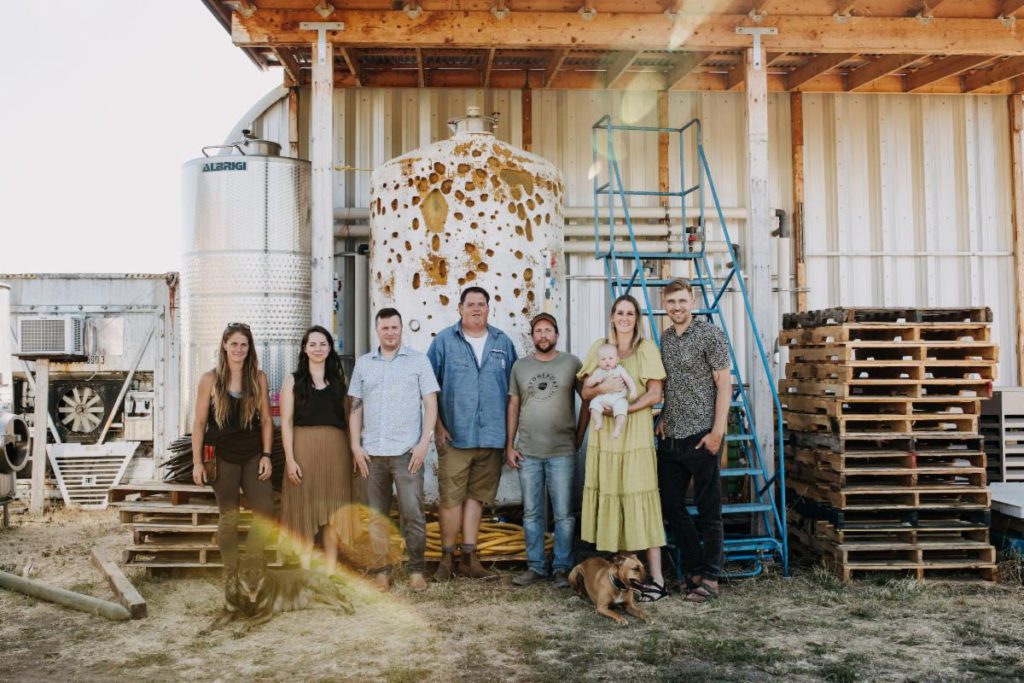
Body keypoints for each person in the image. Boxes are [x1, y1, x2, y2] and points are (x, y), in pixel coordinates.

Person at [577, 294, 668, 601]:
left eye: (630, 313)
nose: (625, 318)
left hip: (636, 436)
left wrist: (625, 411)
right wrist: (603, 389)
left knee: (642, 499)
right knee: (616, 499)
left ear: (636, 318)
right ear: (612, 316)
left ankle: (657, 578)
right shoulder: (600, 348)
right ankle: (626, 579)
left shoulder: (646, 349)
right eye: (620, 312)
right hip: (607, 439)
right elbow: (586, 391)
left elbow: (655, 394)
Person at [427, 286, 518, 581]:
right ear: (460, 308)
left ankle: (470, 558)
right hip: (455, 436)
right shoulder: (443, 342)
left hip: (492, 436)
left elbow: (513, 393)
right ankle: (446, 559)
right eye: (471, 304)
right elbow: (429, 388)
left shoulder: (502, 342)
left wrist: (509, 440)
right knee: (450, 499)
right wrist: (438, 426)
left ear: (489, 309)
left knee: (477, 498)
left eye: (482, 304)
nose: (477, 309)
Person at [349, 308, 439, 593]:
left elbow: (431, 404)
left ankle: (416, 570)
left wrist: (425, 442)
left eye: (394, 327)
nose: (390, 332)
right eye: (385, 328)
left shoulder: (418, 361)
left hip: (406, 452)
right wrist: (355, 445)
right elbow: (355, 406)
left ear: (402, 329)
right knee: (377, 515)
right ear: (377, 330)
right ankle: (381, 571)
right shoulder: (364, 364)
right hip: (372, 454)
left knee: (412, 512)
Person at [656, 279, 731, 602]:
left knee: (709, 509)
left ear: (693, 301)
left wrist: (718, 431)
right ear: (665, 305)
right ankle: (696, 568)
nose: (677, 307)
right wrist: (661, 418)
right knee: (672, 505)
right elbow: (670, 385)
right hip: (672, 437)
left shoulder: (710, 334)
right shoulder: (666, 338)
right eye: (671, 302)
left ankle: (711, 577)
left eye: (682, 301)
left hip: (703, 436)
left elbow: (724, 384)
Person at [506, 313, 582, 588]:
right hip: (528, 452)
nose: (543, 335)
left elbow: (589, 399)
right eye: (538, 331)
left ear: (557, 335)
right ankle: (536, 566)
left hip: (562, 450)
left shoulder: (571, 363)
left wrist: (580, 435)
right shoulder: (520, 367)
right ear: (532, 336)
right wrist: (509, 446)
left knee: (563, 514)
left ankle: (562, 568)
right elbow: (513, 406)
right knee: (531, 513)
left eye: (548, 330)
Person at [192, 322, 275, 574]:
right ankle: (231, 572)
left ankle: (250, 564)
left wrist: (267, 455)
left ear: (249, 348)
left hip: (252, 453)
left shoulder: (257, 377)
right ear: (224, 346)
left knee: (265, 509)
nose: (239, 349)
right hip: (222, 455)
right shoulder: (210, 379)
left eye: (244, 344)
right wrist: (197, 462)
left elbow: (267, 421)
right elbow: (199, 422)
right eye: (234, 344)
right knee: (229, 515)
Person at [280, 325, 363, 575]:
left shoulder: (340, 382)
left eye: (323, 344)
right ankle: (305, 568)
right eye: (312, 344)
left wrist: (353, 451)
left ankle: (330, 569)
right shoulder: (293, 380)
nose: (318, 348)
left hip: (336, 452)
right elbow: (285, 423)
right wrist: (290, 459)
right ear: (304, 349)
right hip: (303, 450)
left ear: (330, 348)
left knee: (334, 512)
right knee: (304, 509)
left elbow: (350, 420)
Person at [583, 343, 638, 438]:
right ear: (598, 361)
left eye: (610, 358)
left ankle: (618, 428)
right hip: (603, 398)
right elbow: (588, 383)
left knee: (622, 409)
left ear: (617, 359)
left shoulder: (620, 369)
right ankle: (598, 422)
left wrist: (633, 391)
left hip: (618, 398)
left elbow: (628, 379)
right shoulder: (598, 371)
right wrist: (595, 380)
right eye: (603, 359)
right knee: (593, 405)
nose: (607, 361)